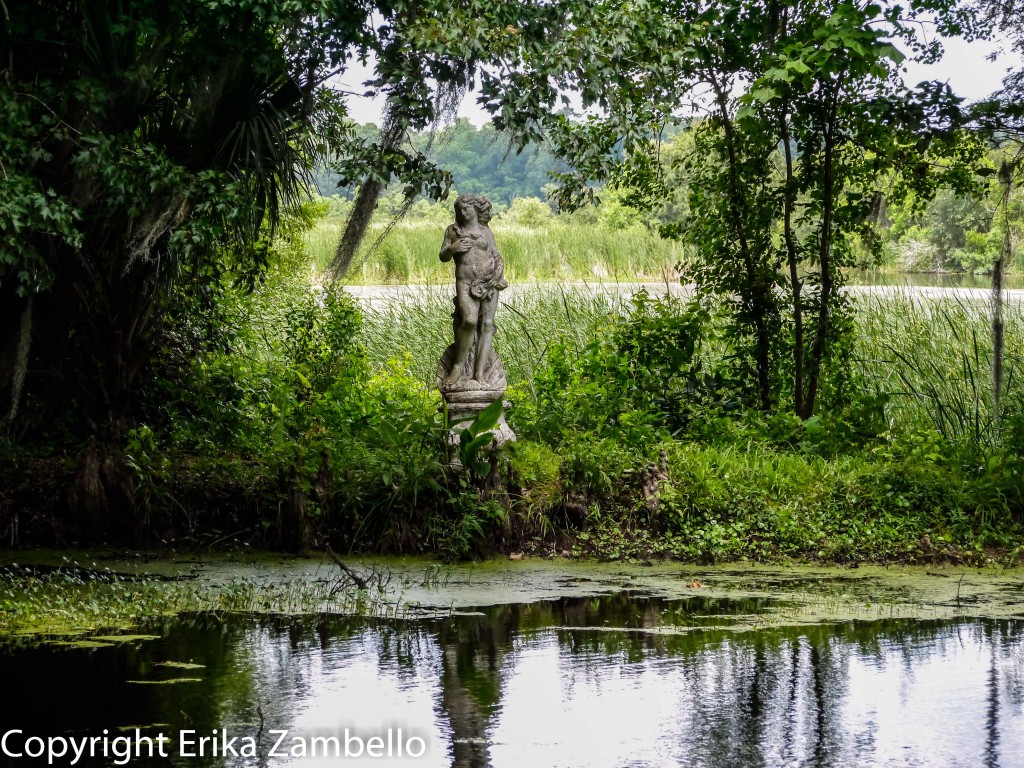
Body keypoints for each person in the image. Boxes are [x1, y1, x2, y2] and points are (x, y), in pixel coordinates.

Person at [439, 194, 508, 387]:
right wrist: (454, 248)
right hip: (466, 282)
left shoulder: (486, 231)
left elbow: (496, 255)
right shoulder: (453, 231)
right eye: (459, 209)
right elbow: (443, 256)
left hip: (488, 281)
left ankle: (480, 374)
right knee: (469, 320)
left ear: (476, 210)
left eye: (466, 209)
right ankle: (457, 368)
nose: (462, 212)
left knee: (487, 325)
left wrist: (498, 275)